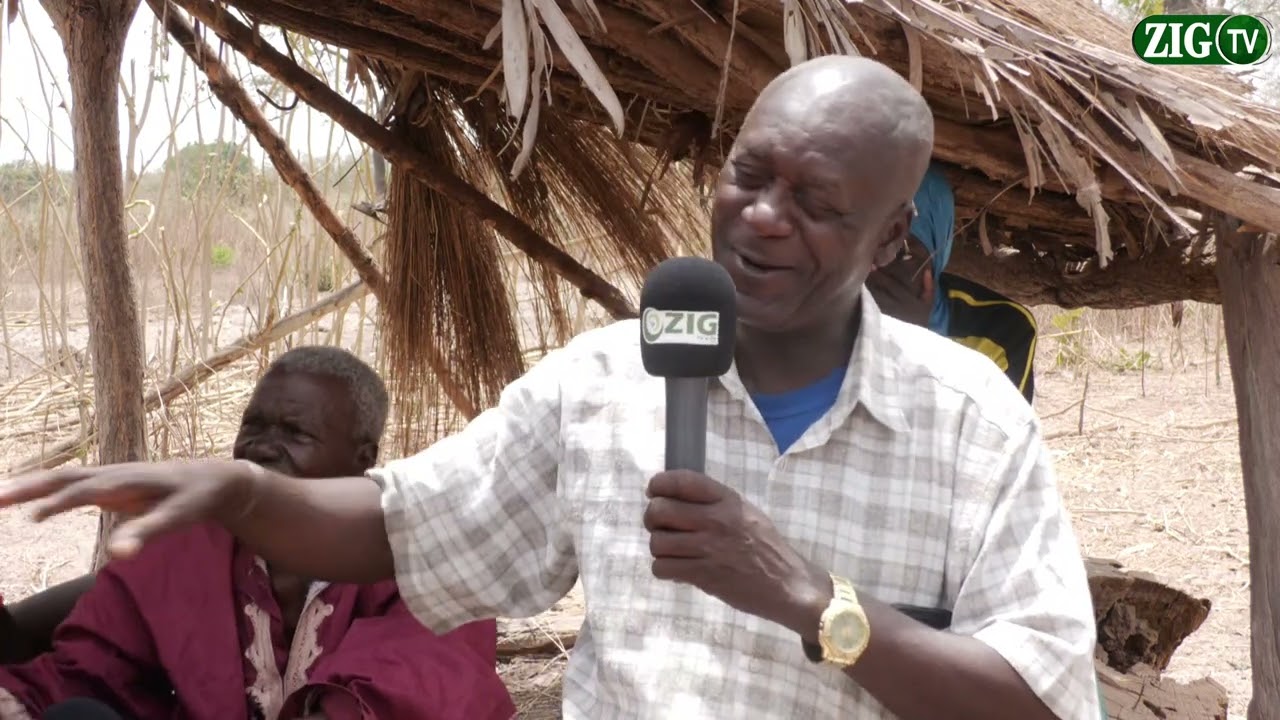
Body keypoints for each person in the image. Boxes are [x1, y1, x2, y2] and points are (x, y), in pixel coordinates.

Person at [0, 57, 1099, 719]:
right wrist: (245, 496)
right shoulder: (604, 380)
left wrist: (815, 604)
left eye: (815, 202)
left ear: (893, 238)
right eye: (748, 175)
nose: (762, 217)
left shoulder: (973, 423)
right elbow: (408, 525)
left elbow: (1040, 699)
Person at [0, 346, 515, 720]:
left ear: (363, 460)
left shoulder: (421, 553)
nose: (261, 448)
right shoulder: (184, 549)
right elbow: (92, 670)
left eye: (295, 433)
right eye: (253, 427)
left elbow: (423, 685)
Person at [865, 164, 1037, 403]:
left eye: (902, 252)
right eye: (867, 247)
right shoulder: (824, 313)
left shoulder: (1000, 331)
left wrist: (913, 345)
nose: (877, 265)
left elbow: (1000, 425)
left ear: (934, 259)